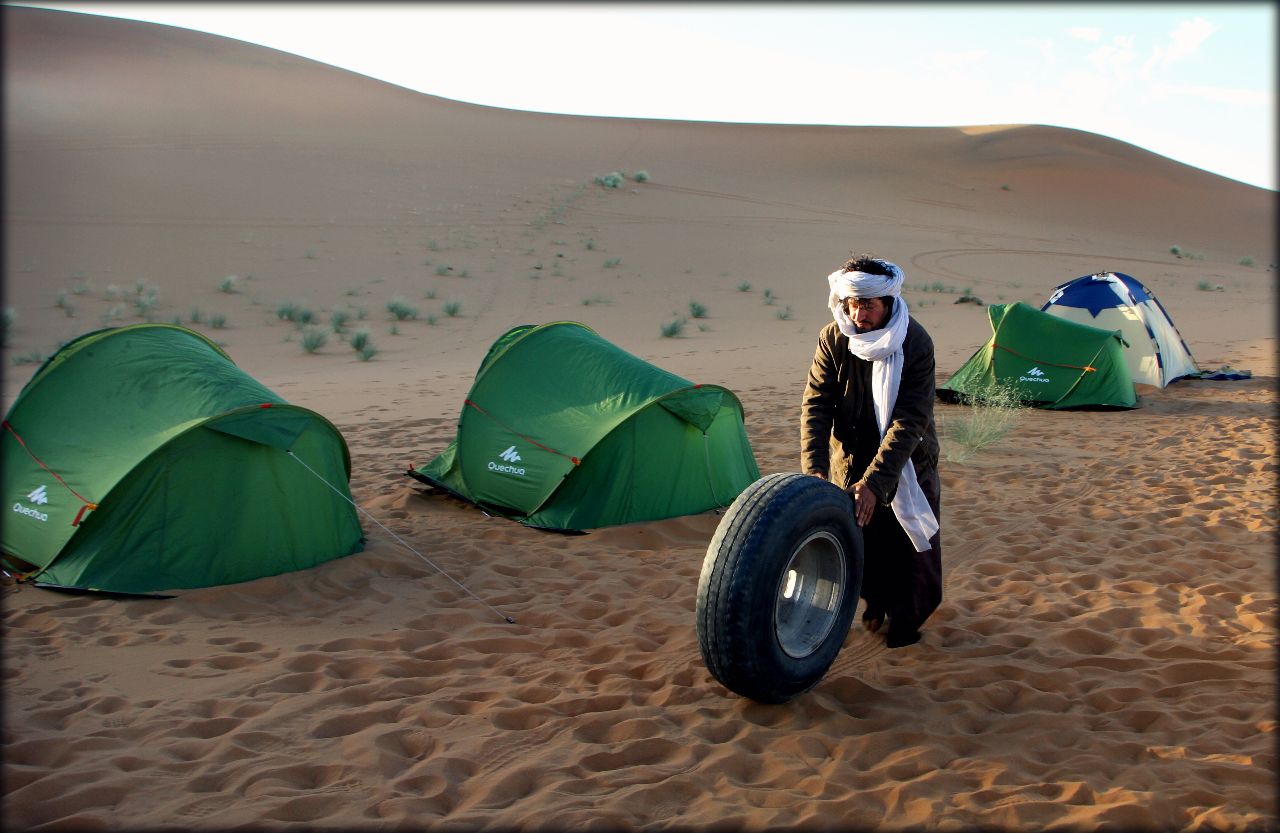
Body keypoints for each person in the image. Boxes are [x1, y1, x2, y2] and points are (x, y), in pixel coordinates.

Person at [800, 254, 943, 648]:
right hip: (849, 460)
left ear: (888, 303)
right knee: (865, 546)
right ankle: (876, 606)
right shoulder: (833, 338)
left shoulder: (915, 342)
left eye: (868, 304)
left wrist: (877, 483)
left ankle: (906, 625)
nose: (858, 313)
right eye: (852, 303)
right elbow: (817, 405)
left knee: (910, 547)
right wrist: (814, 469)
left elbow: (910, 419)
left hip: (908, 463)